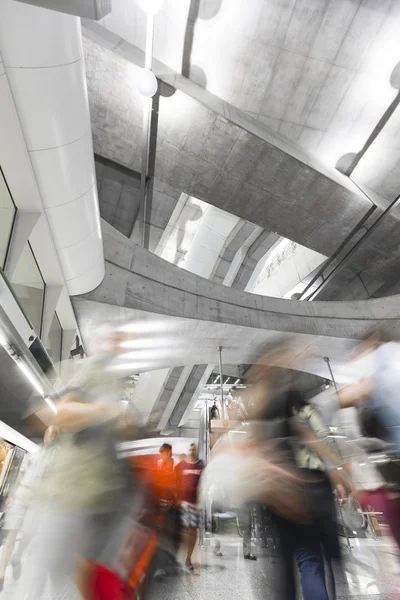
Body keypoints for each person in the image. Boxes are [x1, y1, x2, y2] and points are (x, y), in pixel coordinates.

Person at [0, 425, 59, 593]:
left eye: (54, 435)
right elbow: (20, 474)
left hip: (38, 501)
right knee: (11, 534)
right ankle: (1, 575)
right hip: (22, 494)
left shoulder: (55, 461)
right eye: (49, 434)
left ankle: (17, 557)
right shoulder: (33, 455)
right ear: (46, 436)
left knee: (28, 535)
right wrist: (12, 493)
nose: (51, 437)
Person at [176, 443, 204, 571]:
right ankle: (180, 556)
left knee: (192, 530)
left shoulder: (201, 465)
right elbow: (176, 479)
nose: (191, 451)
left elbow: (204, 482)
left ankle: (188, 558)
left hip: (195, 503)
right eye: (190, 449)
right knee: (184, 528)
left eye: (193, 449)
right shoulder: (182, 465)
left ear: (196, 451)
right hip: (184, 502)